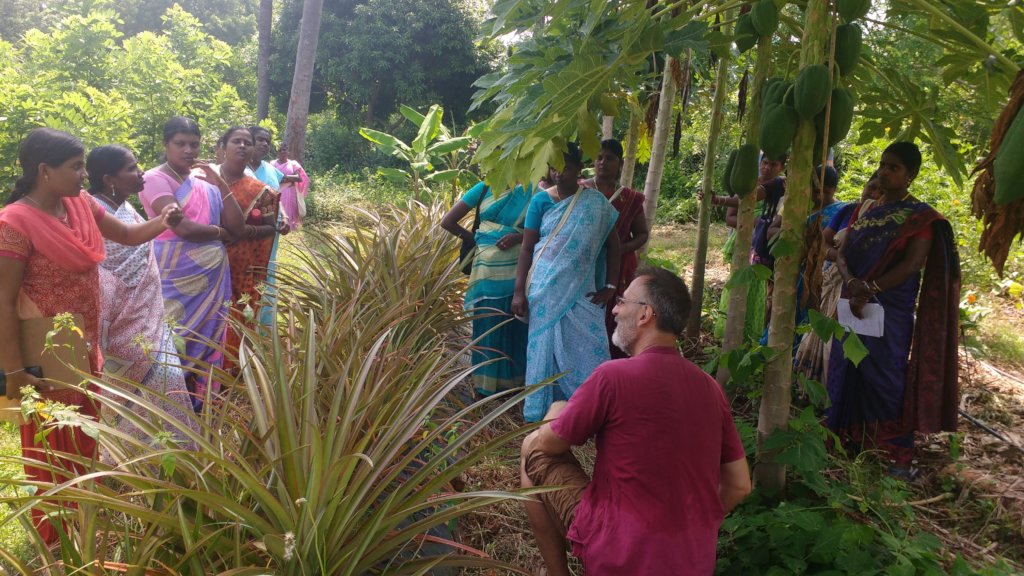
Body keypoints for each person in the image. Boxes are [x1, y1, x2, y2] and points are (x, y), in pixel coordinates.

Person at [0, 128, 182, 543]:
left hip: (84, 347)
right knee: (52, 447)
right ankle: (54, 544)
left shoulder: (80, 206)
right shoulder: (14, 223)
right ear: (44, 171)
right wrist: (14, 371)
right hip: (44, 354)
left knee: (83, 437)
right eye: (76, 167)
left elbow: (129, 235)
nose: (85, 175)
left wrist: (162, 220)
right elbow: (3, 302)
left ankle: (80, 529)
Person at [520, 266, 751, 575]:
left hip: (618, 552)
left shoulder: (612, 376)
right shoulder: (710, 389)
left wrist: (557, 410)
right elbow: (739, 486)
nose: (614, 309)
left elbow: (549, 443)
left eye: (622, 301)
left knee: (530, 448)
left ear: (645, 315)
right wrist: (687, 532)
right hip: (692, 560)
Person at [827, 142, 960, 478]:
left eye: (894, 167)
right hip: (852, 303)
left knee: (885, 376)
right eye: (883, 165)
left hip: (888, 312)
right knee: (847, 367)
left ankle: (892, 453)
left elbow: (913, 264)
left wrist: (869, 289)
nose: (885, 172)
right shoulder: (865, 210)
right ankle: (848, 438)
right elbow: (842, 252)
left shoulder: (919, 218)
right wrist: (852, 283)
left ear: (910, 175)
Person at [86, 145, 197, 449]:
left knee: (165, 383)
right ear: (110, 178)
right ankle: (131, 459)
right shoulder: (95, 211)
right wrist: (164, 220)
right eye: (132, 168)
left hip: (149, 321)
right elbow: (111, 262)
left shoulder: (125, 208)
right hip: (121, 325)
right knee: (153, 384)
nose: (140, 173)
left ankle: (168, 460)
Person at [140, 116, 245, 412]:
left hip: (210, 281)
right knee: (172, 336)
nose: (188, 150)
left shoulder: (204, 182)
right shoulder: (154, 179)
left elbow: (239, 227)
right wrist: (221, 234)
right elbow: (184, 228)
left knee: (206, 337)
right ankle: (168, 403)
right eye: (180, 144)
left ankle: (199, 404)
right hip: (173, 275)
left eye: (194, 144)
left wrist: (221, 182)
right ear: (166, 145)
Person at [511, 144, 621, 422]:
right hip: (544, 289)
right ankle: (544, 414)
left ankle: (589, 410)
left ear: (578, 169)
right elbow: (527, 248)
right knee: (544, 348)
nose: (560, 174)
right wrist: (518, 292)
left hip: (582, 291)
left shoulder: (595, 204)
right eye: (554, 168)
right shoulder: (541, 201)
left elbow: (614, 246)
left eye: (567, 168)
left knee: (590, 347)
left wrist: (610, 286)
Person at [441, 181, 533, 396]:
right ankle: (485, 384)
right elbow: (447, 221)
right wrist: (478, 239)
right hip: (486, 270)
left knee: (514, 321)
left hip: (519, 270)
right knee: (488, 320)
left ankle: (513, 384)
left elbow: (545, 229)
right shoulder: (484, 188)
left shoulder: (535, 189)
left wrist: (518, 237)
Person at [794, 172, 880, 385]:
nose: (873, 194)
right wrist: (841, 258)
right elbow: (821, 242)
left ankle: (838, 395)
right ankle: (813, 388)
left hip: (863, 289)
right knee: (824, 336)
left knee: (851, 343)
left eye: (881, 192)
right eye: (871, 187)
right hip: (833, 280)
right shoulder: (848, 211)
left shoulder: (886, 221)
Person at [216, 127, 285, 374]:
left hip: (242, 266)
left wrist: (243, 231)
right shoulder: (202, 181)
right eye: (237, 141)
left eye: (248, 142)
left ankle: (232, 368)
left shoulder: (261, 191)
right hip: (203, 264)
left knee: (238, 312)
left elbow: (270, 227)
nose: (243, 146)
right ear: (221, 147)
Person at [706, 153, 787, 344]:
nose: (767, 168)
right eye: (764, 163)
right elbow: (730, 218)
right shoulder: (748, 185)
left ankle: (755, 334)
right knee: (743, 285)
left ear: (782, 167)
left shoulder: (783, 185)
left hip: (771, 244)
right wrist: (758, 223)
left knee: (764, 290)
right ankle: (733, 331)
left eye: (773, 164)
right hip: (747, 242)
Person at [581, 139, 649, 358]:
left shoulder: (629, 198)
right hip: (584, 265)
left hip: (619, 266)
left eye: (610, 158)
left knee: (618, 314)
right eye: (599, 157)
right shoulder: (580, 190)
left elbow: (642, 234)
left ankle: (615, 360)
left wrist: (621, 249)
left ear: (619, 163)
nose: (603, 163)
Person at [247, 126, 296, 326]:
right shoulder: (237, 168)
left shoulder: (269, 169)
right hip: (246, 234)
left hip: (270, 234)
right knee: (247, 273)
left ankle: (265, 324)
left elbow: (277, 198)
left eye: (267, 140)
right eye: (259, 139)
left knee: (268, 272)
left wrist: (283, 216)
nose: (265, 144)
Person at [271, 141, 310, 228]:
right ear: (277, 152)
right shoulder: (273, 163)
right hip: (277, 190)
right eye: (280, 150)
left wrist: (282, 178)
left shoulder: (293, 163)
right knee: (277, 209)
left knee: (291, 211)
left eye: (284, 150)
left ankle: (289, 226)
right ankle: (278, 225)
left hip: (290, 191)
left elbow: (299, 178)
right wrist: (289, 179)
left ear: (288, 151)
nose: (282, 152)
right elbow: (272, 178)